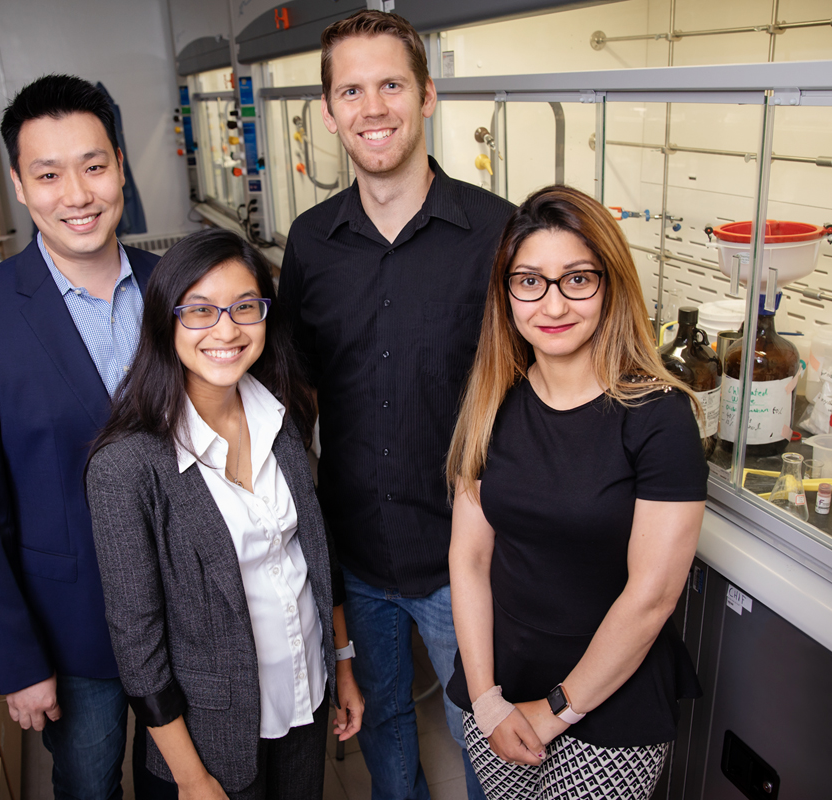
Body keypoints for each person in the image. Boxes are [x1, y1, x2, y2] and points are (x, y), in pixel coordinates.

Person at [278, 9, 514, 799]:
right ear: (328, 111)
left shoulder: (495, 233)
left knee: (485, 733)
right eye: (352, 90)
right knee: (381, 726)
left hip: (468, 557)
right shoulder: (310, 243)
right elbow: (293, 390)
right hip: (355, 557)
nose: (372, 108)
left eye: (390, 85)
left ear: (427, 96)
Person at [0, 74, 175, 800]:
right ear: (19, 185)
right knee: (89, 784)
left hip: (189, 613)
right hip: (73, 633)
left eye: (94, 166)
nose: (78, 194)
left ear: (121, 165)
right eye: (49, 174)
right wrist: (16, 659)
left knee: (183, 778)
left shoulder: (179, 290)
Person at [445, 185, 707, 799]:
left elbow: (652, 595)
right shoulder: (491, 402)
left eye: (577, 280)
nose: (553, 304)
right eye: (530, 281)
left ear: (610, 285)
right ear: (506, 294)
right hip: (501, 688)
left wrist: (557, 709)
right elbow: (470, 556)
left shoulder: (659, 416)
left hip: (609, 700)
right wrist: (485, 697)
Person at [85, 228, 364, 799]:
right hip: (211, 740)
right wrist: (191, 779)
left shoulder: (279, 415)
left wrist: (343, 663)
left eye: (244, 307)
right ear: (166, 321)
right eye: (201, 311)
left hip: (304, 698)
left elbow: (313, 553)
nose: (226, 330)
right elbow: (138, 648)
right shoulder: (127, 466)